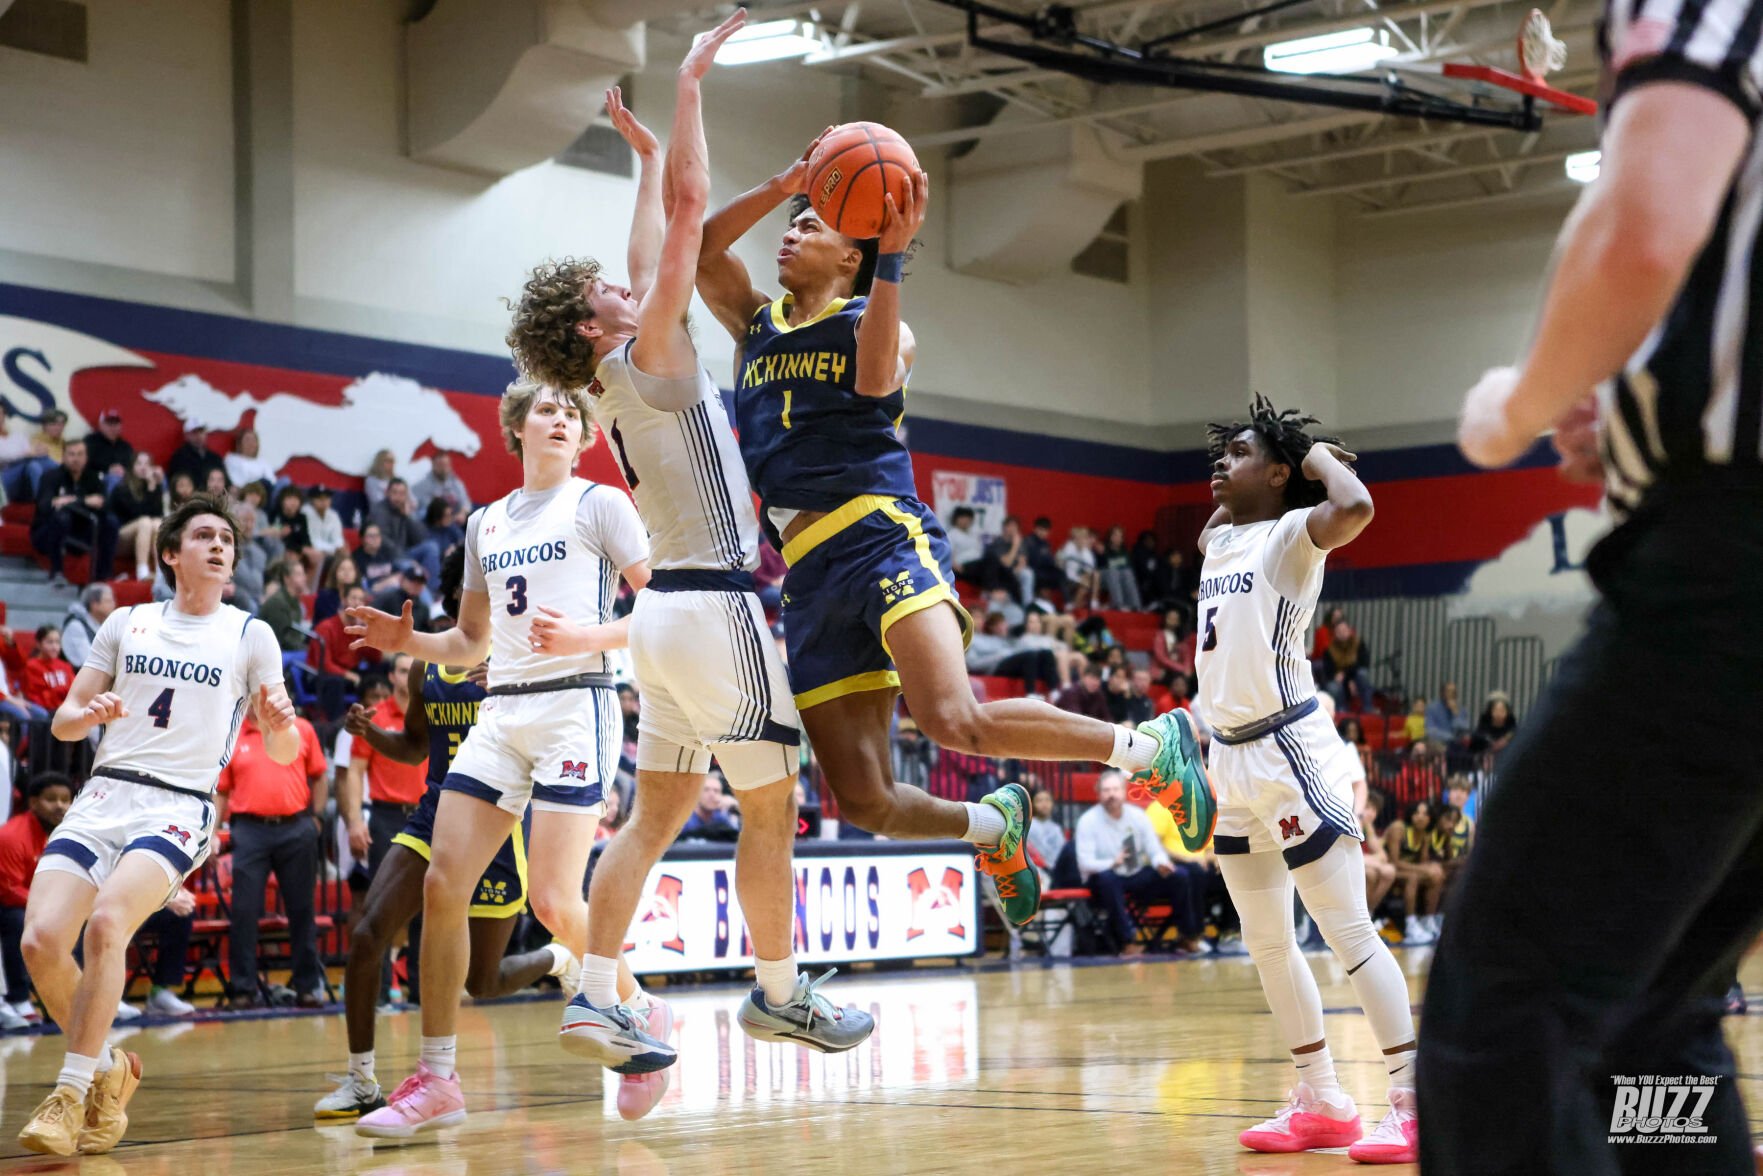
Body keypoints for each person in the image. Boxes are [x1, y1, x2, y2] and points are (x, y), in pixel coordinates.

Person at [693, 120, 1201, 928]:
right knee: (866, 802)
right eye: (793, 223)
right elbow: (699, 254)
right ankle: (993, 826)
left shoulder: (880, 322)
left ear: (851, 255)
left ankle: (1146, 749)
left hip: (880, 534)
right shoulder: (756, 323)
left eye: (811, 226)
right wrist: (788, 185)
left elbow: (867, 382)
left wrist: (892, 256)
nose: (791, 233)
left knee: (950, 717)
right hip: (807, 570)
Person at [506, 48, 872, 1085]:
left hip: (660, 626)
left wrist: (641, 152)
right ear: (594, 325)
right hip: (711, 605)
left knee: (655, 817)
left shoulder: (623, 367)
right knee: (772, 800)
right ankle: (779, 991)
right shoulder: (654, 345)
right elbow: (689, 214)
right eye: (603, 290)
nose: (626, 284)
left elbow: (652, 223)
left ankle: (594, 996)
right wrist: (695, 88)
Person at [343, 372, 655, 1139]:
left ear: (586, 437)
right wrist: (406, 641)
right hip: (501, 709)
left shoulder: (600, 504)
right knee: (445, 883)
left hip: (576, 702)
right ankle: (438, 1079)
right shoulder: (484, 523)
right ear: (516, 426)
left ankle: (636, 1003)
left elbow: (665, 603)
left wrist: (587, 636)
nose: (559, 418)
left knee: (552, 899)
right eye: (545, 408)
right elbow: (472, 642)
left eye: (572, 413)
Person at [1130, 397, 1418, 1163]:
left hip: (1290, 752)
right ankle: (1322, 1099)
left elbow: (1353, 503)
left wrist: (1306, 449)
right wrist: (1265, 463)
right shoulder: (1221, 535)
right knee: (1264, 942)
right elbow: (1223, 513)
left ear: (1280, 472)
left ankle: (1413, 1095)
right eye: (1218, 454)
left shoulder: (1295, 534)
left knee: (1346, 932)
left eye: (1239, 453)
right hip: (1229, 759)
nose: (1219, 464)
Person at [16, 495, 296, 1156]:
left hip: (177, 804)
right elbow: (63, 719)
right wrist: (88, 716)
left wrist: (281, 725)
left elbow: (283, 752)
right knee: (41, 942)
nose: (220, 546)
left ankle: (70, 1091)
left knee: (110, 923)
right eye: (204, 535)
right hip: (105, 794)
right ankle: (112, 1070)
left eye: (226, 538)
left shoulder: (250, 633)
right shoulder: (128, 622)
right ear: (171, 554)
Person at [314, 549, 577, 1123]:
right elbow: (414, 748)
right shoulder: (426, 663)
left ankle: (558, 959)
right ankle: (362, 1080)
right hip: (434, 811)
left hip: (499, 822)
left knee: (482, 982)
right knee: (366, 935)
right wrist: (373, 735)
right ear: (459, 592)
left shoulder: (518, 657)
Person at [216, 707, 328, 1008]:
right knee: (244, 910)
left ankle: (308, 986)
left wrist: (316, 819)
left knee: (302, 909)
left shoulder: (302, 728)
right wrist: (211, 833)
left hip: (296, 826)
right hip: (249, 830)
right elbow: (222, 790)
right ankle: (243, 989)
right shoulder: (234, 732)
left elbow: (319, 776)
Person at [1074, 771, 1200, 955]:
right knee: (1108, 879)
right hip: (1103, 880)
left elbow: (1154, 850)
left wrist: (1161, 864)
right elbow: (1085, 864)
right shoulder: (1087, 821)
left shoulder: (1138, 816)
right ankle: (1127, 941)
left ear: (1124, 792)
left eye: (1115, 789)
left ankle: (1186, 936)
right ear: (1099, 793)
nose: (1111, 794)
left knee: (1179, 875)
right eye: (1106, 790)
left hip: (1135, 874)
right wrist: (1112, 862)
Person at [0, 773, 73, 1032]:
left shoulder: (70, 833)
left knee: (86, 917)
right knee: (18, 921)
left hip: (42, 903)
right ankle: (19, 999)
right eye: (51, 799)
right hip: (10, 906)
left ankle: (79, 997)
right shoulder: (13, 836)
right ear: (33, 802)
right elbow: (8, 890)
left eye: (65, 800)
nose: (60, 806)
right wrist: (50, 907)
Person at [32, 438, 117, 585]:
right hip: (47, 532)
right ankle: (57, 571)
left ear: (86, 457)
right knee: (61, 517)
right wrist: (84, 501)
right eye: (71, 454)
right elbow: (45, 505)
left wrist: (68, 501)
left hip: (81, 530)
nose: (75, 459)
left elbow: (104, 504)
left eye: (80, 454)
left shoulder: (93, 478)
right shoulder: (51, 476)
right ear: (63, 456)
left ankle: (103, 576)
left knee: (111, 522)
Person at [1385, 800, 1443, 946]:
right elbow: (1394, 862)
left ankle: (1428, 920)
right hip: (1389, 870)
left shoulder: (1425, 834)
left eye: (1425, 814)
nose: (1420, 817)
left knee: (1437, 876)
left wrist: (1430, 868)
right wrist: (1424, 869)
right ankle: (1411, 926)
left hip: (1405, 871)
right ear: (1411, 814)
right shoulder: (1398, 828)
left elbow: (1422, 862)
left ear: (1430, 818)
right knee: (1414, 877)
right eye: (1417, 813)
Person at [965, 612, 1059, 697]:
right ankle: (1031, 693)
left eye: (982, 618)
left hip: (1012, 663)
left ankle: (1055, 692)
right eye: (976, 617)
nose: (980, 621)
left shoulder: (1000, 638)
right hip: (995, 667)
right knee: (1030, 655)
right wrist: (999, 656)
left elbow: (1016, 651)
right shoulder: (971, 639)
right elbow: (973, 664)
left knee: (1046, 653)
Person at [368, 479, 441, 588]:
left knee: (431, 547)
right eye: (394, 492)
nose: (398, 497)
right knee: (410, 568)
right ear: (387, 493)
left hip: (405, 553)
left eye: (402, 493)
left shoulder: (405, 510)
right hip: (387, 558)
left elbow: (421, 538)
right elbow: (382, 541)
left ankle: (434, 591)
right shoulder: (379, 511)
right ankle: (428, 601)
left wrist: (408, 517)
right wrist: (407, 559)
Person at [109, 451, 166, 582]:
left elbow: (158, 514)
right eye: (139, 463)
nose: (143, 467)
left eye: (147, 464)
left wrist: (153, 487)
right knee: (145, 521)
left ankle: (160, 572)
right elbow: (136, 513)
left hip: (145, 535)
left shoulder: (154, 486)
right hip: (120, 537)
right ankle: (142, 571)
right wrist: (152, 489)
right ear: (132, 466)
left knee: (157, 522)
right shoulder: (122, 488)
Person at [258, 558, 311, 653]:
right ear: (287, 578)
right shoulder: (278, 603)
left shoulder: (296, 603)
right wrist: (306, 649)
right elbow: (281, 639)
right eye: (299, 575)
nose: (304, 578)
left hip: (289, 651)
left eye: (303, 574)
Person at [60, 584, 115, 671]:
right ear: (94, 604)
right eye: (108, 601)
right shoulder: (76, 626)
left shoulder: (104, 625)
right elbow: (88, 662)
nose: (113, 605)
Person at [23, 627, 75, 716]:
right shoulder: (31, 666)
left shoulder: (65, 666)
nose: (55, 647)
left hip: (66, 708)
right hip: (46, 710)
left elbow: (74, 690)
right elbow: (34, 695)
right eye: (50, 642)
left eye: (57, 642)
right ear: (39, 644)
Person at [411, 452, 471, 519]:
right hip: (434, 522)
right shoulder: (422, 485)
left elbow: (466, 503)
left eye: (446, 465)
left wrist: (462, 513)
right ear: (433, 465)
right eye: (440, 465)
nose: (444, 469)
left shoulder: (455, 482)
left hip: (456, 520)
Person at [677, 776, 739, 841]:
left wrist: (736, 807)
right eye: (706, 790)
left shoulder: (721, 817)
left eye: (716, 791)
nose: (712, 795)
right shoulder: (684, 820)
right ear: (695, 794)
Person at [1097, 525, 1142, 611]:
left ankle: (1135, 605)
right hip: (1102, 575)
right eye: (1115, 535)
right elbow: (1106, 564)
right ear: (1110, 537)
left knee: (1128, 572)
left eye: (1120, 536)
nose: (1118, 538)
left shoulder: (1124, 551)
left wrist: (1117, 564)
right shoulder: (1103, 548)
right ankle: (1118, 604)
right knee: (1113, 571)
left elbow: (1127, 566)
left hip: (1119, 575)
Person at [302, 485, 346, 570]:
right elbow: (313, 541)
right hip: (309, 551)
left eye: (327, 498)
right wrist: (334, 549)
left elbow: (338, 538)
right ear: (311, 500)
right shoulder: (305, 513)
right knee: (317, 555)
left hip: (329, 551)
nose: (324, 501)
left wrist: (339, 548)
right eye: (319, 498)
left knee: (344, 554)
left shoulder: (333, 515)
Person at [351, 522, 401, 596]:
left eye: (377, 535)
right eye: (371, 536)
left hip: (389, 587)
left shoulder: (386, 552)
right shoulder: (356, 557)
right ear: (362, 538)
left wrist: (383, 584)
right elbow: (365, 585)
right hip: (371, 594)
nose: (375, 539)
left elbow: (399, 573)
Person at [1424, 680, 1471, 754]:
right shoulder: (1432, 708)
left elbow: (1465, 730)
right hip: (1439, 742)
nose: (1452, 694)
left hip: (1457, 745)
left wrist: (1456, 714)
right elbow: (1430, 730)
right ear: (1442, 693)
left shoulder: (1461, 710)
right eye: (1449, 691)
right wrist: (1451, 738)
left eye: (1454, 692)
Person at [83, 410, 133, 479]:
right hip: (96, 479)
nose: (113, 428)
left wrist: (122, 469)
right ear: (101, 425)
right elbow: (84, 463)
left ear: (121, 426)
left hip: (123, 480)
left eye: (116, 424)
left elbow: (131, 465)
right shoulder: (90, 441)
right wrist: (108, 468)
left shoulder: (125, 446)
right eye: (109, 424)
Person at [224, 428, 275, 493]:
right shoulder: (232, 459)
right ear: (240, 443)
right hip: (243, 492)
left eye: (253, 440)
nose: (251, 443)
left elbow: (272, 481)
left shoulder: (263, 462)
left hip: (263, 493)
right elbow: (235, 481)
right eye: (247, 440)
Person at [363, 449, 396, 514]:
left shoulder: (395, 479)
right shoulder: (371, 480)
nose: (391, 464)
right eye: (388, 461)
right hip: (381, 515)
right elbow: (377, 501)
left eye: (393, 461)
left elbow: (412, 500)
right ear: (380, 462)